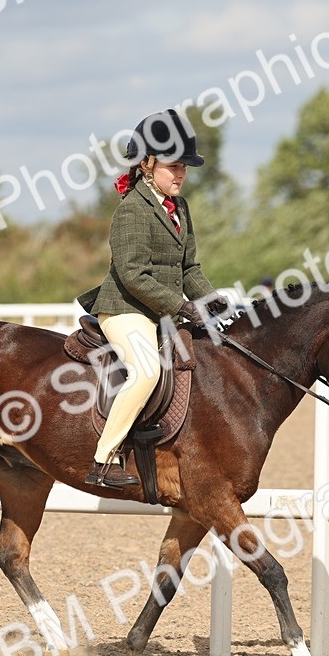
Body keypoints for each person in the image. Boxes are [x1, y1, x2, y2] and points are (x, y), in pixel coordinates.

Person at [76, 108, 230, 489]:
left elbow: (189, 268)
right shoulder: (131, 210)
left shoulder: (181, 208)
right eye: (172, 166)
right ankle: (104, 458)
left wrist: (213, 302)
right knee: (146, 370)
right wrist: (181, 306)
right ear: (147, 164)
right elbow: (133, 275)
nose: (180, 174)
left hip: (160, 310)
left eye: (184, 168)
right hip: (125, 309)